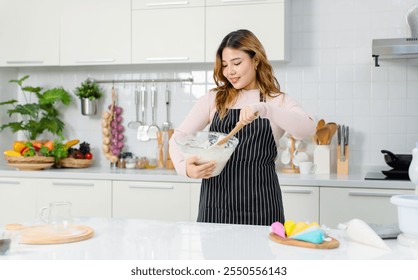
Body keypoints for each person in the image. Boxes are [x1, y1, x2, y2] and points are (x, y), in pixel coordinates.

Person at [169, 29, 315, 226]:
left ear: (256, 60)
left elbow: (307, 129)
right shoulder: (214, 99)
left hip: (263, 208)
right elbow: (178, 137)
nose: (230, 71)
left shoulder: (276, 101)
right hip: (215, 208)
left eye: (237, 63)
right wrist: (183, 168)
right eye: (225, 65)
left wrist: (265, 109)